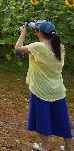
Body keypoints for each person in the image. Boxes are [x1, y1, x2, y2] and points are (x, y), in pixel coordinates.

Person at [15, 20, 72, 150]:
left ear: (39, 32)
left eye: (36, 30)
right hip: (58, 90)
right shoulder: (60, 47)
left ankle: (44, 146)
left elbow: (18, 48)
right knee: (63, 119)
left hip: (40, 90)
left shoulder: (38, 47)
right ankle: (68, 148)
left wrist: (23, 33)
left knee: (42, 118)